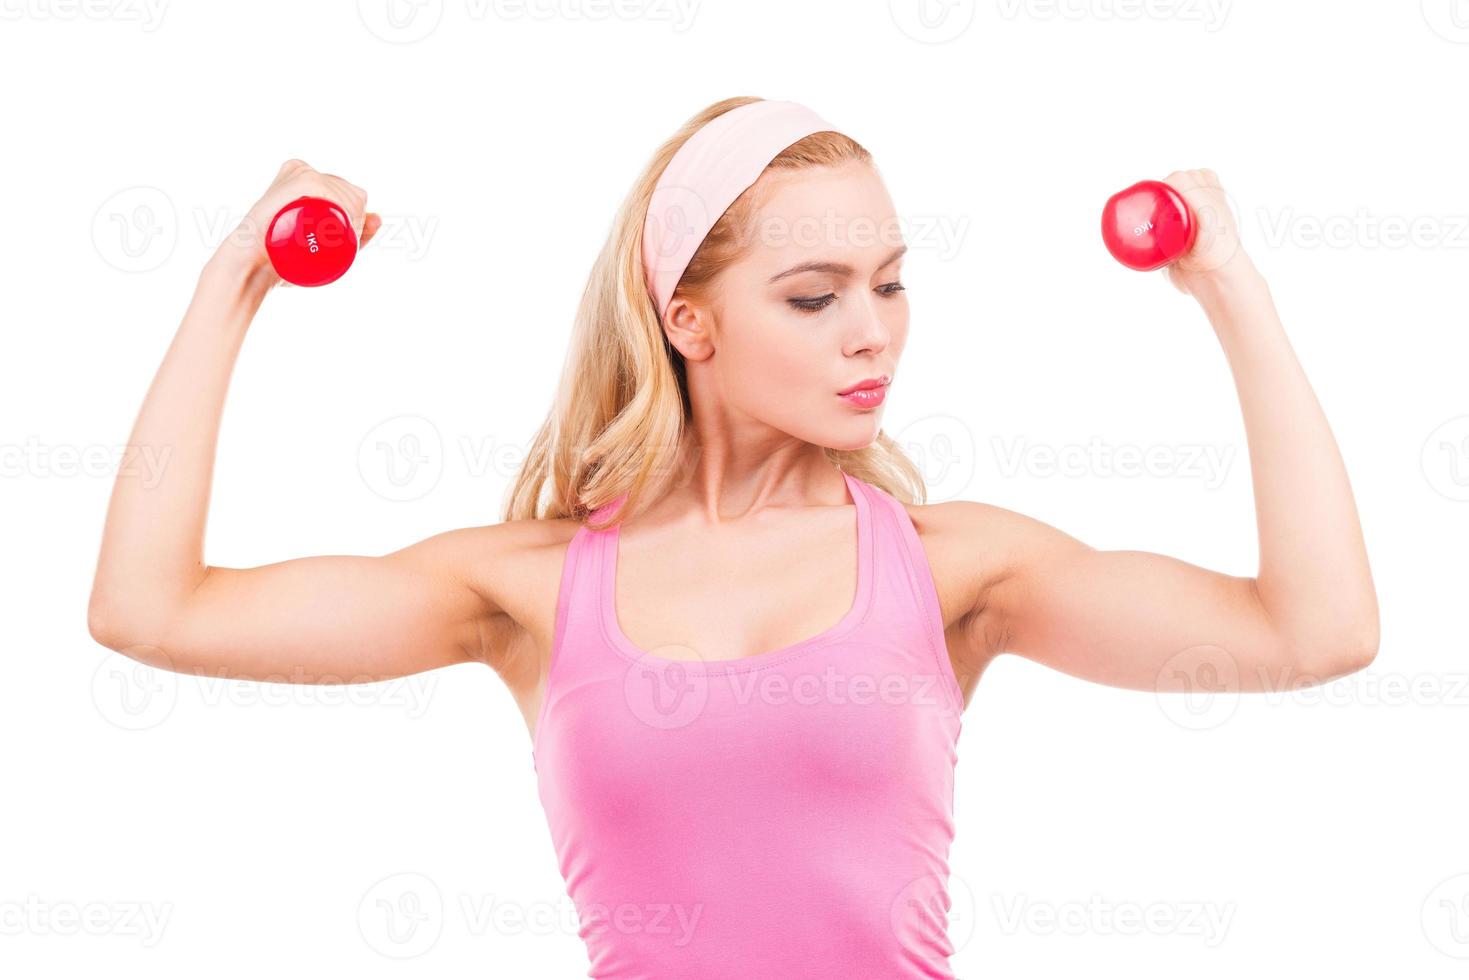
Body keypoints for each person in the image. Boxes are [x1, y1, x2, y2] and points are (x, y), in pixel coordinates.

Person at [87, 95, 1380, 978]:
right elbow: (153, 613)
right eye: (813, 296)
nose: (871, 330)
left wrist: (1229, 289)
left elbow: (1311, 634)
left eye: (888, 282)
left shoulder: (951, 569)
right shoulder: (528, 587)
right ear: (689, 323)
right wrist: (233, 284)